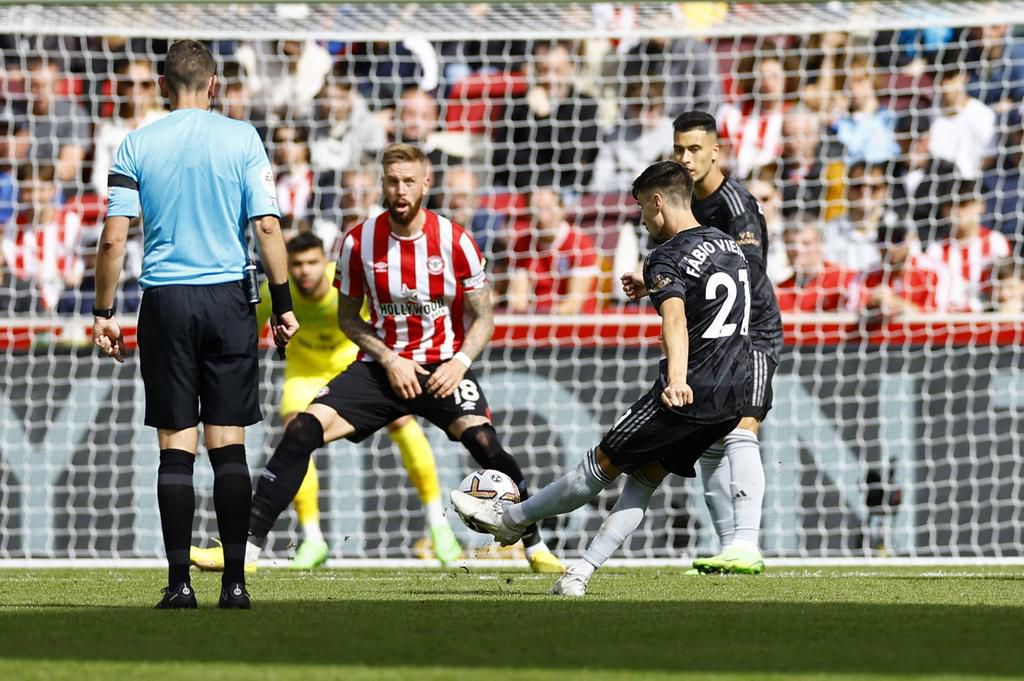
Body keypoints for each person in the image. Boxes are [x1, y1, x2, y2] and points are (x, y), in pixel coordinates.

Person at [236, 143, 564, 574]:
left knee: (486, 444)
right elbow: (349, 319)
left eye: (410, 181)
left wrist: (459, 362)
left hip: (443, 366)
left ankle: (535, 546)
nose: (401, 190)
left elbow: (484, 316)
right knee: (301, 429)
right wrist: (390, 359)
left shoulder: (456, 241)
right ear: (383, 185)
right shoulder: (358, 243)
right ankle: (247, 550)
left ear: (426, 183)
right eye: (393, 181)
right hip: (382, 367)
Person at [451, 160, 750, 596]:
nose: (644, 221)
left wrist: (678, 378)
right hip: (732, 393)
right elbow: (709, 289)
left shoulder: (665, 255)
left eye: (643, 211)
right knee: (645, 477)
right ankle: (579, 575)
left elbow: (675, 318)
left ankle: (513, 520)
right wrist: (650, 282)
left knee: (600, 466)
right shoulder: (727, 244)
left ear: (658, 202)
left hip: (690, 389)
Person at [91, 40, 299, 609]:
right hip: (230, 296)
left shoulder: (136, 143)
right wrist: (282, 304)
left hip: (166, 299)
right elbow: (268, 229)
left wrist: (104, 312)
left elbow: (114, 237)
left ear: (162, 86)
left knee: (174, 447)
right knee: (229, 447)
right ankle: (234, 583)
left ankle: (180, 584)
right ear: (214, 86)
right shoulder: (243, 139)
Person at [190, 233, 463, 571]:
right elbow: (245, 337)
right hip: (304, 373)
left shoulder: (345, 282)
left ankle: (439, 525)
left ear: (325, 262)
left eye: (312, 263)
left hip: (352, 364)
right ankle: (313, 537)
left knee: (401, 419)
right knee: (295, 435)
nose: (305, 271)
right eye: (298, 264)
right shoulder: (274, 292)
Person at [623, 111, 782, 574]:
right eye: (679, 149)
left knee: (741, 427)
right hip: (711, 330)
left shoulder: (738, 208)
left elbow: (748, 275)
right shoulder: (676, 201)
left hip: (751, 328)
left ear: (716, 152)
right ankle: (728, 545)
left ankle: (747, 545)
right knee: (711, 438)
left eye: (695, 149)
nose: (685, 158)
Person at [775, 222, 856, 313]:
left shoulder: (848, 279)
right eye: (791, 244)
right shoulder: (779, 292)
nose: (797, 249)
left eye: (806, 243)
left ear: (821, 245)